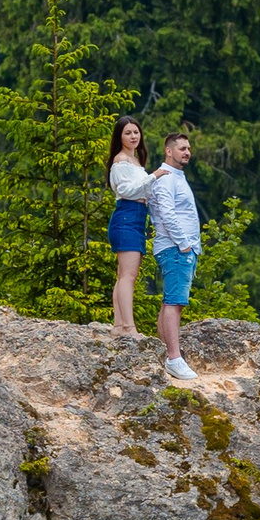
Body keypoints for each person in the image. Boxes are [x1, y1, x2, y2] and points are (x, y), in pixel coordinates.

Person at [145, 131, 202, 381]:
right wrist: (185, 245)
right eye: (182, 148)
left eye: (188, 148)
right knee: (174, 303)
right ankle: (174, 358)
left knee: (170, 301)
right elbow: (166, 214)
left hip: (179, 249)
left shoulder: (177, 177)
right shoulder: (167, 178)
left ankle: (165, 353)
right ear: (169, 151)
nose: (187, 152)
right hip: (176, 248)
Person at [105, 117, 162, 333]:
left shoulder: (135, 161)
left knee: (123, 275)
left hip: (136, 218)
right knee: (128, 276)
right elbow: (127, 191)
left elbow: (140, 190)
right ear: (119, 136)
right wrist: (153, 176)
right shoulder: (120, 162)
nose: (133, 137)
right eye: (128, 133)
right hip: (127, 217)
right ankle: (129, 327)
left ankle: (119, 325)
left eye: (136, 132)